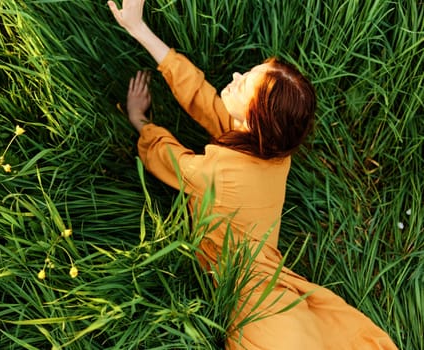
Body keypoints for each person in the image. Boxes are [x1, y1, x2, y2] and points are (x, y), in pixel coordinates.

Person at [108, 1, 398, 349]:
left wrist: (139, 120)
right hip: (268, 284)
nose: (234, 78)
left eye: (244, 84)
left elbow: (166, 157)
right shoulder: (274, 149)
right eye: (247, 74)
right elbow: (204, 100)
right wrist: (139, 29)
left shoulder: (216, 172)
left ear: (255, 119)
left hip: (254, 296)